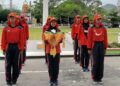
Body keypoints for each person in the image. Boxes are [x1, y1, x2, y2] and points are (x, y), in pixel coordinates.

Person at [1, 12, 24, 86]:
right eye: (10, 17)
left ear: (15, 18)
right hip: (8, 47)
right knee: (8, 65)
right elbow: (3, 39)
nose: (12, 19)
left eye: (13, 17)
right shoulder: (5, 28)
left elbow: (21, 39)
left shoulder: (19, 28)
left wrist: (21, 48)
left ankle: (14, 80)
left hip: (16, 47)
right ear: (9, 19)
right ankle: (8, 80)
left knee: (15, 65)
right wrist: (3, 49)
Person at [87, 14, 108, 84]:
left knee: (101, 63)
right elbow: (89, 39)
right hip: (94, 46)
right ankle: (94, 78)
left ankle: (99, 78)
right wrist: (89, 48)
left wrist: (105, 48)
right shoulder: (91, 29)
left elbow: (105, 39)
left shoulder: (103, 28)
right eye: (98, 19)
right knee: (95, 63)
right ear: (95, 20)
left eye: (100, 19)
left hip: (101, 45)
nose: (99, 21)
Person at [44, 18, 62, 86]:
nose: (53, 23)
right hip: (49, 50)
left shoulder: (59, 30)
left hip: (57, 50)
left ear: (56, 23)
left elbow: (61, 40)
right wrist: (50, 41)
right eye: (52, 22)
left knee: (56, 65)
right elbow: (45, 40)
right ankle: (51, 79)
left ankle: (56, 79)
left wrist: (57, 41)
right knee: (50, 66)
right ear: (50, 23)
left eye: (54, 22)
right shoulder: (46, 31)